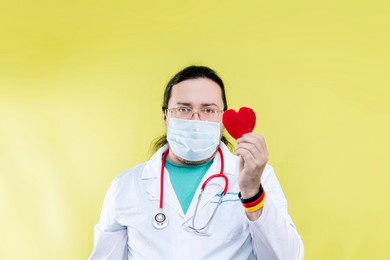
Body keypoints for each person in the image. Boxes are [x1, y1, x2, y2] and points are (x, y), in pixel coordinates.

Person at [89, 65, 304, 260]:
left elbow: (288, 257)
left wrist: (252, 193)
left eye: (208, 110)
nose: (195, 119)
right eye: (183, 109)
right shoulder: (126, 185)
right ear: (166, 116)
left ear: (223, 119)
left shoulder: (258, 177)